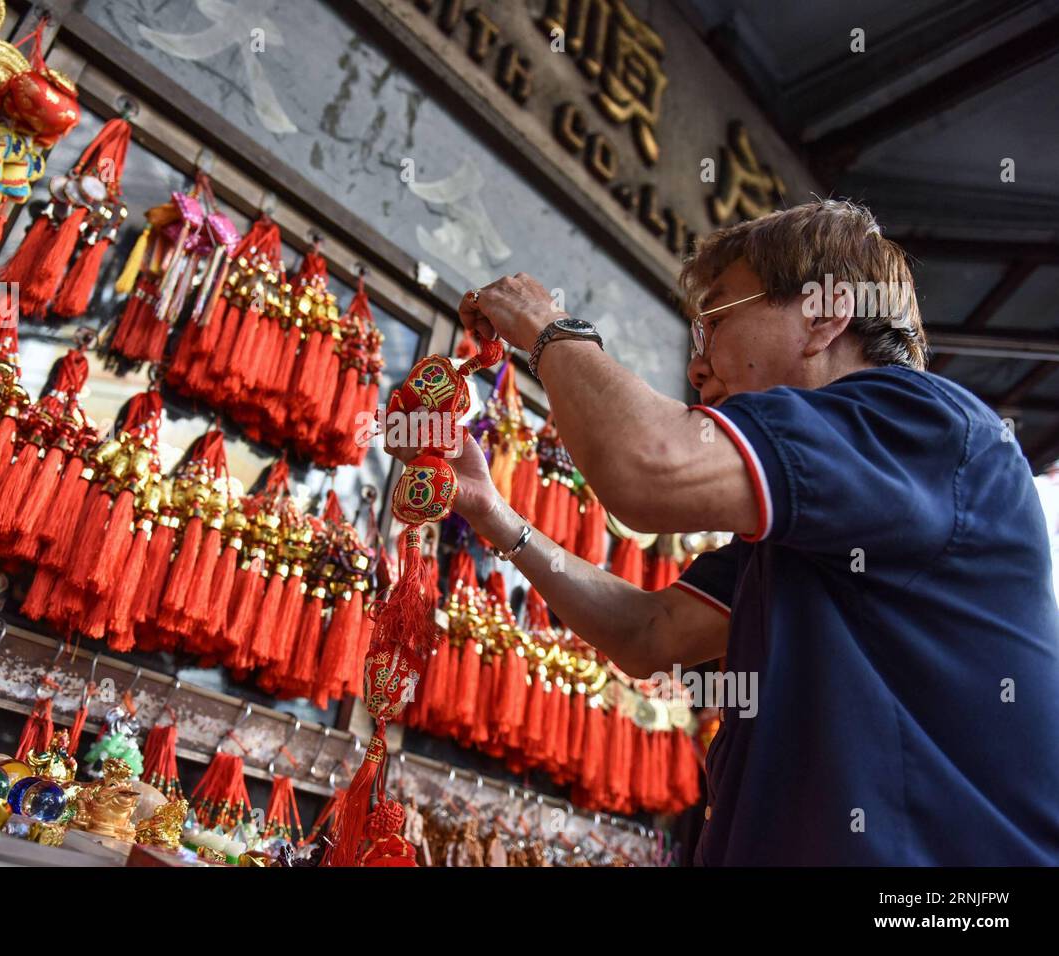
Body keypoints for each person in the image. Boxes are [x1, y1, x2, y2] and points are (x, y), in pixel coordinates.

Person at [389, 200, 1059, 865]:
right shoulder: (818, 521)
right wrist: (494, 515)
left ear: (823, 317)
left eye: (712, 322)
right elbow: (649, 634)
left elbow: (647, 465)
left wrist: (548, 327)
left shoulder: (922, 426)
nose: (695, 367)